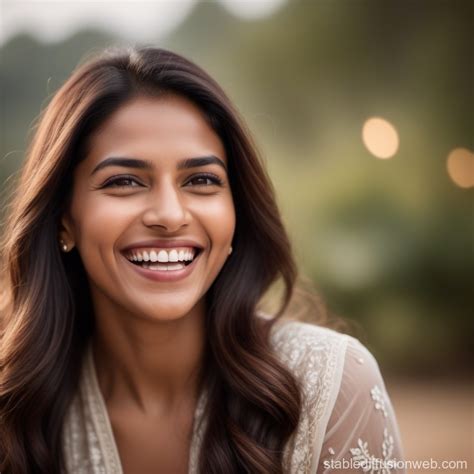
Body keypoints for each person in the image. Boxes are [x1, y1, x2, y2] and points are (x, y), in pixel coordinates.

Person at [0, 47, 405, 473]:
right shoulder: (14, 407)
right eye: (123, 181)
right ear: (64, 218)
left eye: (201, 180)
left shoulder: (329, 387)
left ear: (236, 209)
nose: (171, 215)